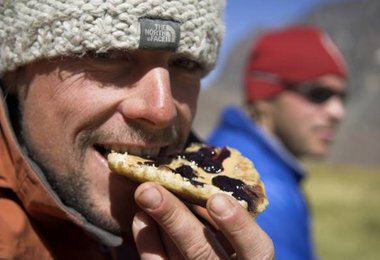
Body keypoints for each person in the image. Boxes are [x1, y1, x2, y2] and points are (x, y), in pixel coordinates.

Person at [0, 0, 274, 259]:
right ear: (15, 68)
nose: (161, 111)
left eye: (186, 63)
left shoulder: (208, 226)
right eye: (105, 54)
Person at [207, 25, 348, 260]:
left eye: (342, 97)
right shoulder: (262, 192)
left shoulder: (224, 152)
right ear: (264, 96)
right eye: (318, 93)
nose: (337, 111)